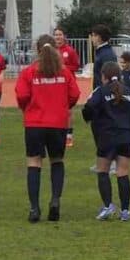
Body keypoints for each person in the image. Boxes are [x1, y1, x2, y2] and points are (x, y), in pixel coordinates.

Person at [16, 34, 80, 223]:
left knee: (34, 163)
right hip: (57, 123)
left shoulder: (29, 72)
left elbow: (21, 95)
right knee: (57, 161)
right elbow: (75, 94)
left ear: (37, 50)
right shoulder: (64, 72)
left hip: (35, 123)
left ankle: (35, 208)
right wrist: (62, 107)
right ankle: (55, 200)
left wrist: (27, 108)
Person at [84, 61, 130, 222]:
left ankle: (108, 206)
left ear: (103, 77)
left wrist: (91, 119)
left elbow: (88, 108)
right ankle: (125, 210)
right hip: (126, 136)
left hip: (106, 136)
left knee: (103, 171)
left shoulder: (101, 91)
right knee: (123, 172)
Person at [53, 27, 80, 147]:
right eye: (56, 35)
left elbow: (76, 66)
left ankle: (69, 136)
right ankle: (57, 134)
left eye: (60, 34)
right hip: (54, 84)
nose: (58, 37)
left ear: (64, 36)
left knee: (68, 111)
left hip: (67, 85)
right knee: (55, 110)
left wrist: (64, 68)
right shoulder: (51, 51)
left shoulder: (70, 50)